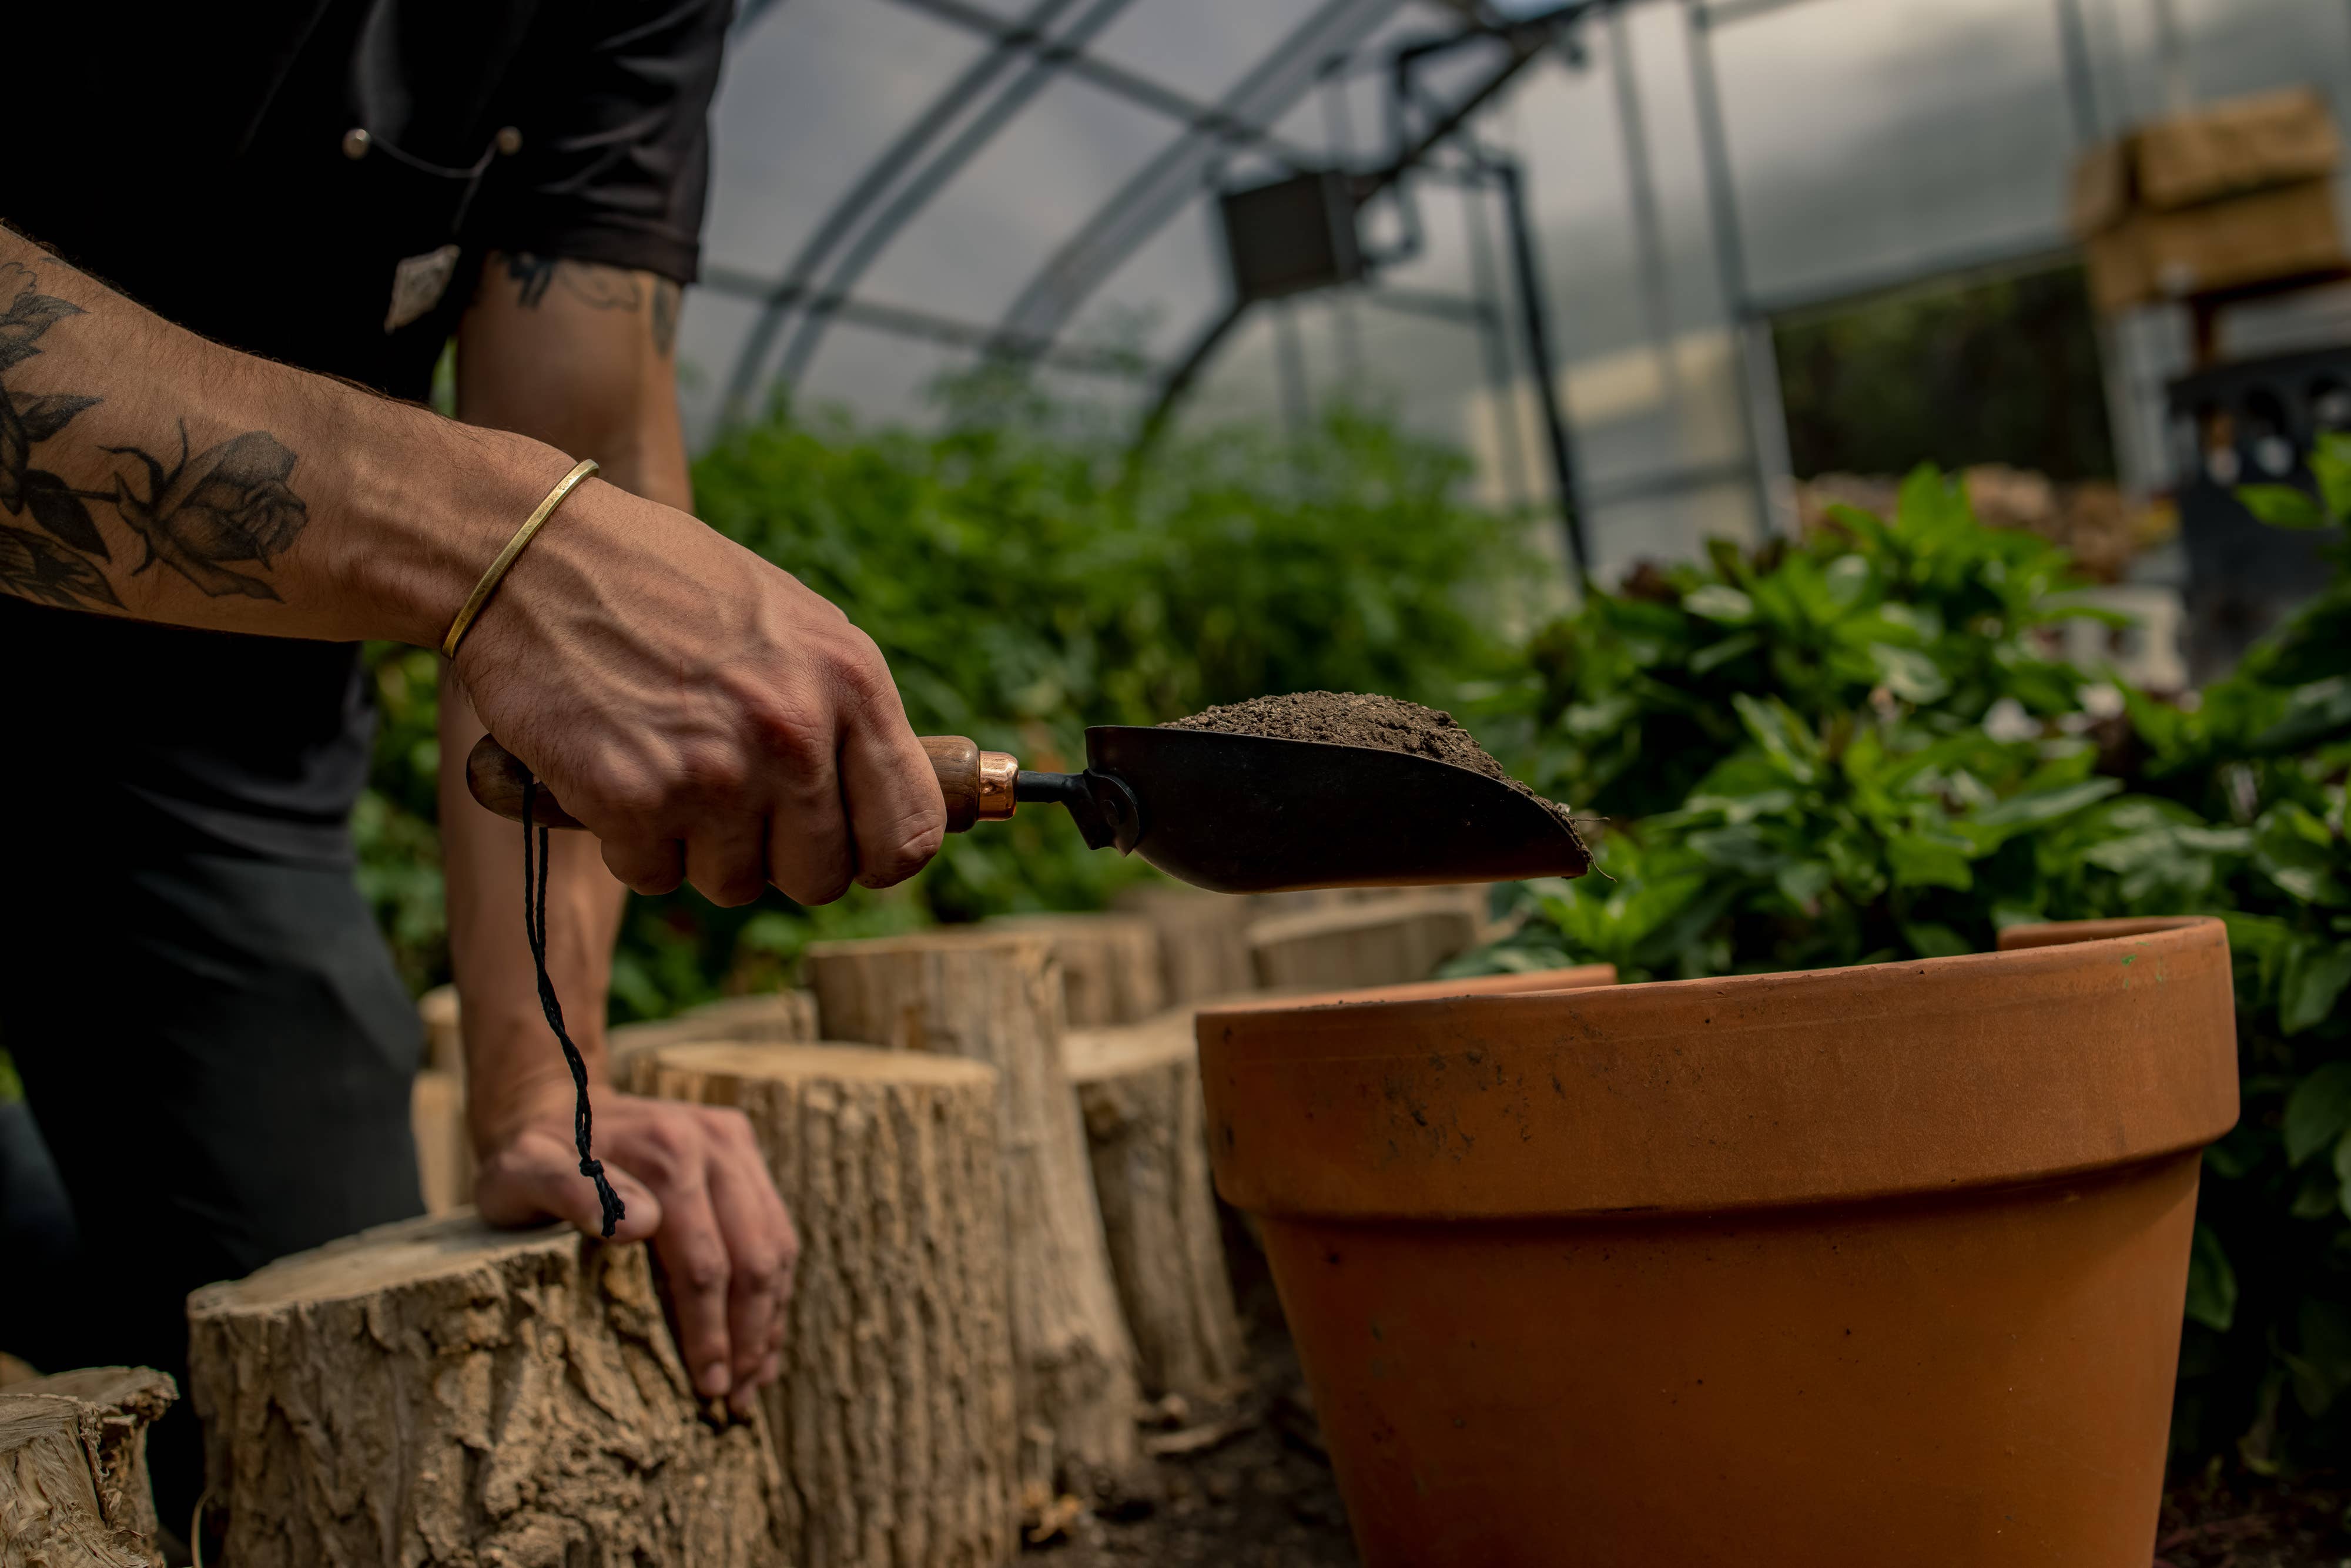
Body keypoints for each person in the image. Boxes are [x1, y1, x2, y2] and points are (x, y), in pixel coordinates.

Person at [0, 2, 943, 1526]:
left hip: (208, 735)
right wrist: (497, 545)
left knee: (320, 1360)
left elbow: (590, 466)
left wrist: (540, 1080)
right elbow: (544, 537)